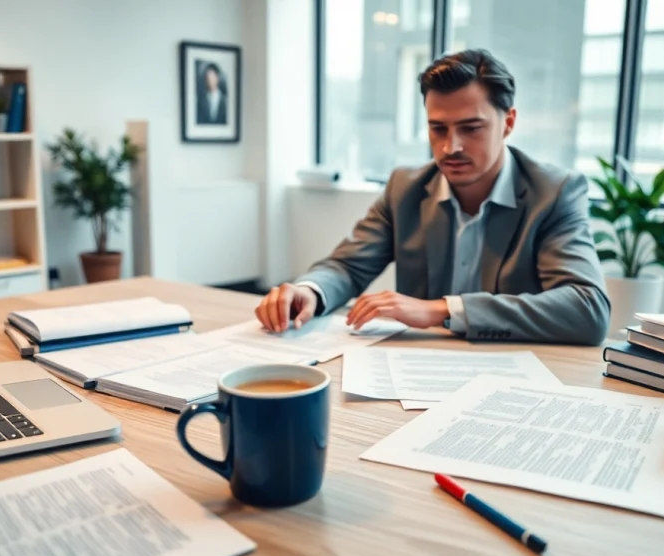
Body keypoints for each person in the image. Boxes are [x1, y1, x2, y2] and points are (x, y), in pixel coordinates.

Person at [255, 49, 610, 344]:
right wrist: (311, 291)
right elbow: (348, 266)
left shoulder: (554, 192)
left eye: (471, 128)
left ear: (509, 123)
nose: (450, 147)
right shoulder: (405, 187)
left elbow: (587, 308)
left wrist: (442, 309)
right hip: (418, 370)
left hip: (515, 373)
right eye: (437, 128)